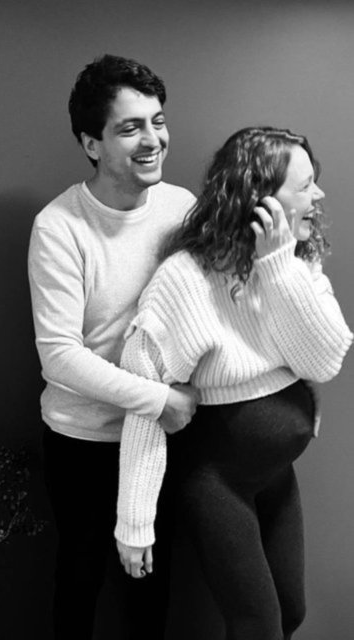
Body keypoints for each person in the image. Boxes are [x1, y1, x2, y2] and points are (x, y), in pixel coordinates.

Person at [115, 126, 353, 640]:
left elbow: (325, 360)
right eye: (305, 185)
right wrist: (134, 522)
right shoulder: (185, 280)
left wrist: (277, 267)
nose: (319, 195)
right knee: (257, 626)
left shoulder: (298, 261)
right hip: (218, 483)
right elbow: (145, 403)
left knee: (290, 613)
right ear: (259, 201)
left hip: (276, 475)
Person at [28, 54, 198, 640]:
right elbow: (59, 355)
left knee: (153, 588)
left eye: (158, 121)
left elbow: (217, 311)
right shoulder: (59, 226)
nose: (153, 140)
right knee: (79, 582)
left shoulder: (181, 208)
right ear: (92, 144)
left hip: (157, 441)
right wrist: (161, 401)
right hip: (84, 442)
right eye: (130, 128)